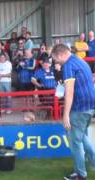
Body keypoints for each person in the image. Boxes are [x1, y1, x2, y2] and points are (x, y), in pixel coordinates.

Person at [51, 44, 95, 180]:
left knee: (75, 143)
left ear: (60, 55)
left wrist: (65, 116)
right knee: (81, 137)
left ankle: (81, 175)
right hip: (90, 107)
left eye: (55, 60)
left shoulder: (68, 66)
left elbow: (69, 92)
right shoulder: (81, 61)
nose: (56, 63)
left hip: (79, 109)